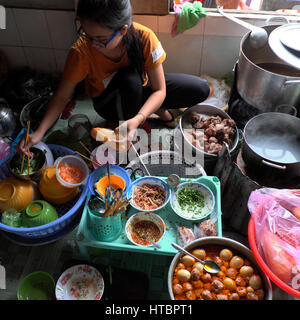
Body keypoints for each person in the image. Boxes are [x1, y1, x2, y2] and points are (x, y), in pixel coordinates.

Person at [17, 0, 210, 155]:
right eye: (86, 35)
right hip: (108, 102)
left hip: (138, 87)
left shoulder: (145, 38)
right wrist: (39, 132)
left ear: (123, 30)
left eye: (100, 39)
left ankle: (150, 110)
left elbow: (160, 89)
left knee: (200, 88)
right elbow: (61, 96)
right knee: (130, 80)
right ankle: (141, 114)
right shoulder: (81, 52)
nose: (92, 44)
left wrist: (139, 118)